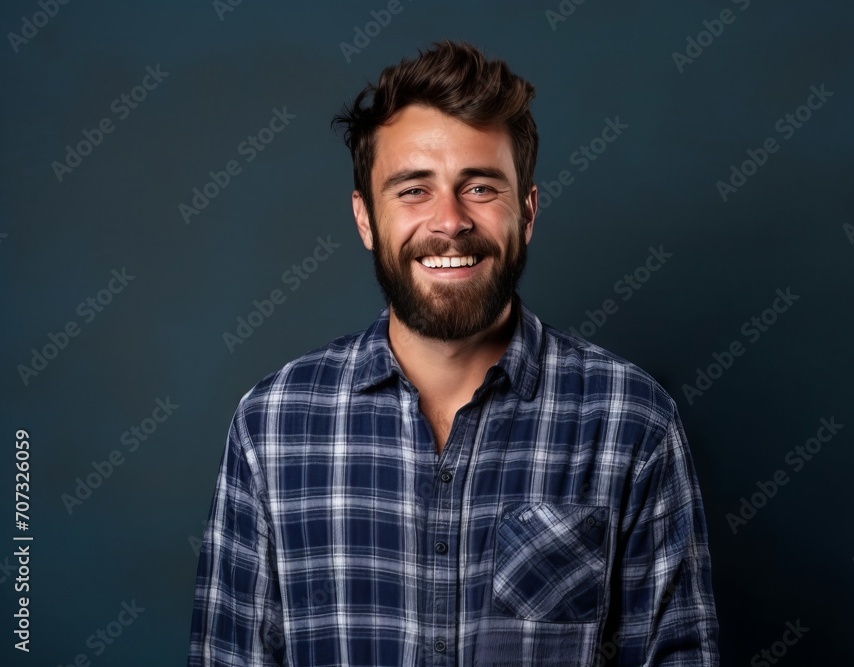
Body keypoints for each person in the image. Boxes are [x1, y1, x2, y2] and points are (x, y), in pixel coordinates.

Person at [188, 40, 718, 666]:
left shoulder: (632, 422)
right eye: (413, 189)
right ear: (365, 219)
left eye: (480, 187)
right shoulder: (271, 426)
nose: (450, 221)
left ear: (527, 210)